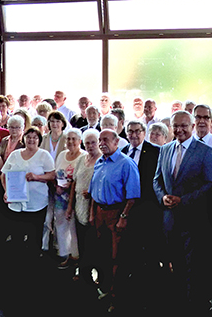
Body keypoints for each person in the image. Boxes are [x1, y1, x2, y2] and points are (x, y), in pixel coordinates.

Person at [152, 110, 212, 311]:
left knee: (193, 267)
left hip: (193, 220)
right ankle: (177, 303)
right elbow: (156, 180)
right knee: (174, 264)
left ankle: (192, 305)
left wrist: (184, 200)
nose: (179, 129)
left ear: (192, 126)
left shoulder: (206, 151)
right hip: (169, 218)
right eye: (176, 126)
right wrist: (162, 197)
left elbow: (210, 184)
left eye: (184, 125)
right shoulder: (165, 150)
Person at [88, 129, 140, 312]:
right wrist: (93, 213)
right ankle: (105, 288)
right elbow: (94, 190)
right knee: (102, 254)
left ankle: (116, 297)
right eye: (99, 140)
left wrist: (123, 217)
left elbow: (133, 196)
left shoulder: (126, 163)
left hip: (117, 214)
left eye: (106, 140)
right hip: (100, 213)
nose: (102, 143)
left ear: (117, 142)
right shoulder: (99, 162)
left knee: (117, 257)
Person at [121, 120, 162, 292]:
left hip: (148, 210)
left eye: (137, 131)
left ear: (144, 132)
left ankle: (152, 290)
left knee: (151, 252)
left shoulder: (156, 151)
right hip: (126, 209)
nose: (134, 134)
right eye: (130, 131)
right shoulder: (123, 152)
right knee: (131, 251)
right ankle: (133, 288)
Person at [1, 127, 56, 253]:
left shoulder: (44, 155)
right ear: (24, 139)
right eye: (28, 137)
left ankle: (33, 264)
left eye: (35, 137)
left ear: (39, 140)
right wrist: (6, 191)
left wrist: (37, 177)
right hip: (16, 202)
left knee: (34, 236)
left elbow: (52, 175)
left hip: (36, 203)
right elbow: (4, 174)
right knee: (16, 235)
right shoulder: (15, 154)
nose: (31, 140)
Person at [68, 129, 101, 280]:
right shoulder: (82, 159)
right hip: (79, 204)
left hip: (94, 205)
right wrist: (70, 206)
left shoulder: (102, 160)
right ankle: (83, 271)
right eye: (87, 143)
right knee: (81, 239)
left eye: (93, 142)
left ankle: (95, 273)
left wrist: (92, 192)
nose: (90, 146)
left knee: (93, 241)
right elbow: (75, 182)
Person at [54, 128, 85, 269]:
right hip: (60, 198)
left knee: (73, 229)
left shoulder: (83, 156)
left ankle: (75, 257)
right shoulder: (61, 155)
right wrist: (56, 186)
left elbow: (82, 179)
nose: (71, 141)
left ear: (80, 141)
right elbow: (55, 173)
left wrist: (69, 185)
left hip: (75, 199)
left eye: (74, 139)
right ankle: (64, 254)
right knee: (60, 226)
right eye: (68, 139)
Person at [40, 111, 68, 250]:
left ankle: (59, 246)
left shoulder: (68, 138)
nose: (55, 124)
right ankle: (44, 245)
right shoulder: (44, 138)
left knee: (60, 216)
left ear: (63, 123)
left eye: (57, 121)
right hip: (45, 181)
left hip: (61, 184)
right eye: (51, 121)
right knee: (46, 216)